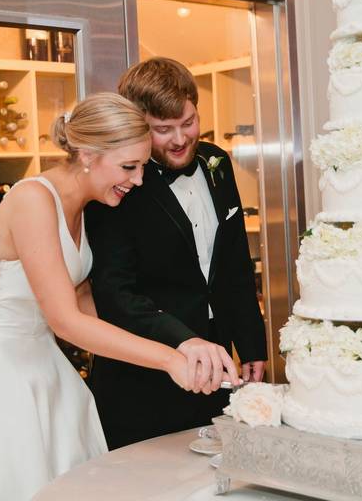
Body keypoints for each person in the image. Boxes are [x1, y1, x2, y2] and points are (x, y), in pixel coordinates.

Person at [0, 92, 239, 500]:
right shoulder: (32, 200)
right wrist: (169, 359)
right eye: (128, 167)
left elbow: (88, 308)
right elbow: (66, 320)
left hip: (42, 366)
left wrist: (177, 349)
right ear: (86, 155)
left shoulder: (88, 207)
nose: (137, 179)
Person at [86, 57, 268, 449]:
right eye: (163, 130)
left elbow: (234, 263)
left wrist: (251, 342)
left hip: (216, 363)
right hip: (142, 372)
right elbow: (114, 292)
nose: (181, 139)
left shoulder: (217, 163)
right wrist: (181, 341)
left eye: (188, 122)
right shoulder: (120, 182)